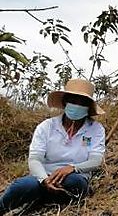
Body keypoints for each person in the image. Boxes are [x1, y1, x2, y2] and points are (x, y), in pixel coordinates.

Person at [0, 79, 106, 214]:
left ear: (88, 107)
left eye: (82, 103)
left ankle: (43, 200)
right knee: (23, 186)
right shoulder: (46, 127)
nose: (76, 106)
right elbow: (35, 159)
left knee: (75, 183)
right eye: (72, 101)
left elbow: (95, 161)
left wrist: (73, 168)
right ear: (65, 103)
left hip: (75, 176)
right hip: (45, 175)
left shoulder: (95, 129)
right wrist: (44, 179)